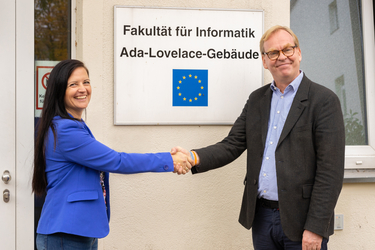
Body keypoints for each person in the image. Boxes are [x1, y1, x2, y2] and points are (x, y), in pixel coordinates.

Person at [172, 25, 345, 250]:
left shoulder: (324, 101)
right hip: (262, 218)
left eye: (287, 50)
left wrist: (316, 227)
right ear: (265, 61)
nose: (281, 56)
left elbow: (330, 173)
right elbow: (232, 144)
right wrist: (193, 157)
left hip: (303, 222)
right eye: (273, 53)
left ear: (299, 53)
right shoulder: (257, 100)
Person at [32, 59, 191, 250]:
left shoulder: (73, 125)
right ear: (59, 91)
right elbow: (117, 161)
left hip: (79, 231)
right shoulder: (66, 131)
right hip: (66, 234)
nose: (82, 89)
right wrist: (169, 160)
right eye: (73, 84)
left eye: (86, 82)